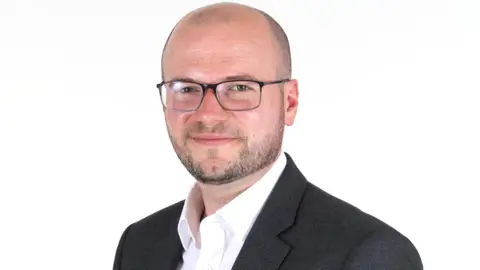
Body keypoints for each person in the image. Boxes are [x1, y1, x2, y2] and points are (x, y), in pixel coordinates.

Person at [113, 2, 423, 269]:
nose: (208, 114)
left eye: (240, 88)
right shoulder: (139, 245)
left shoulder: (368, 256)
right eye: (186, 89)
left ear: (289, 103)